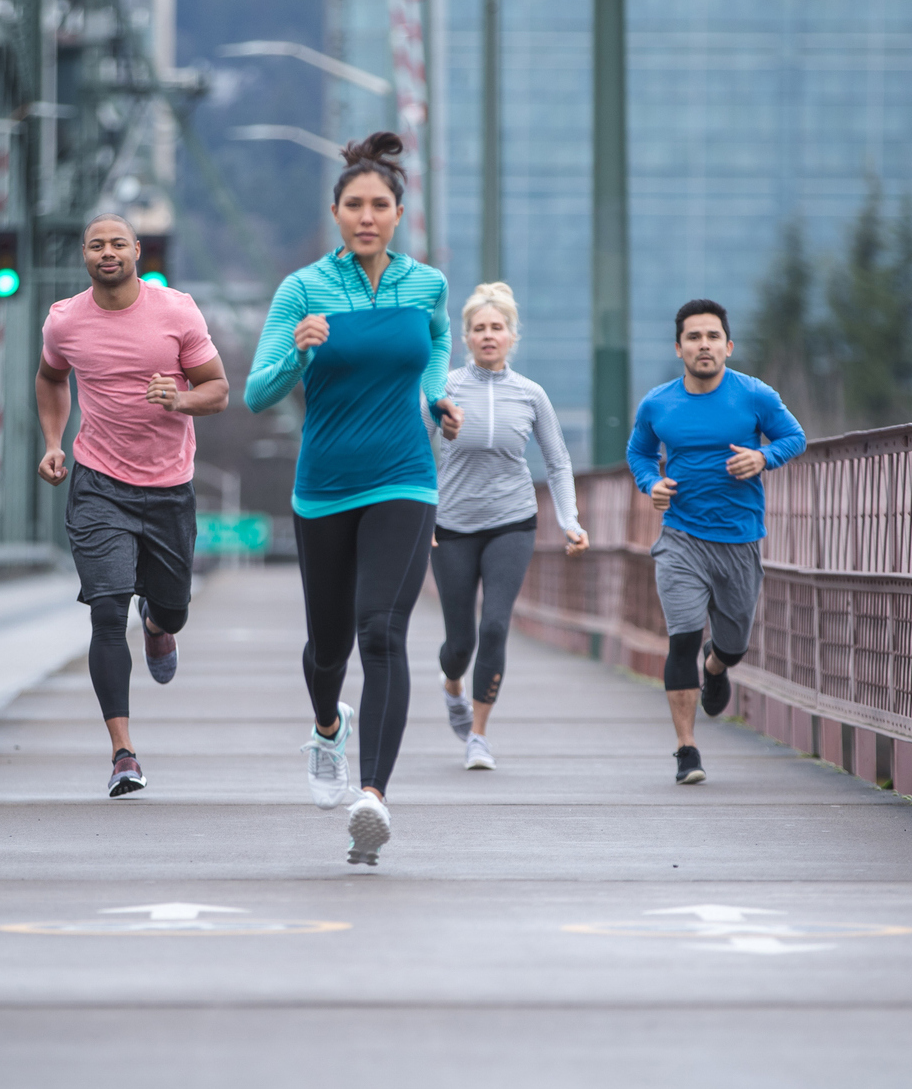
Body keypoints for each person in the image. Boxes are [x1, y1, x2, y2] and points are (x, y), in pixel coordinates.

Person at [245, 131, 462, 866]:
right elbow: (255, 393)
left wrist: (436, 400)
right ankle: (325, 729)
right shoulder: (302, 289)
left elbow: (435, 347)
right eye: (353, 205)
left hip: (404, 475)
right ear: (335, 212)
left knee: (381, 631)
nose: (366, 216)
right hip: (324, 486)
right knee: (328, 646)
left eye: (379, 205)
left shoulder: (426, 284)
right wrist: (298, 351)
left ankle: (372, 796)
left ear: (399, 212)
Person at [37, 213, 228, 798]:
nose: (107, 252)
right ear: (86, 257)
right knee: (104, 609)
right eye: (96, 245)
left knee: (172, 610)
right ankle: (123, 753)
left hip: (169, 486)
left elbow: (218, 391)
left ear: (137, 251)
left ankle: (159, 625)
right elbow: (51, 379)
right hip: (98, 483)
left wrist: (181, 398)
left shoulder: (176, 311)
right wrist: (52, 442)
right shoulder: (65, 321)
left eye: (118, 243)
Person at [625, 298, 805, 785]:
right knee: (681, 637)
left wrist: (762, 458)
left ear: (728, 346)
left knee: (733, 642)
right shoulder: (658, 403)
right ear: (679, 348)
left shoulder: (754, 395)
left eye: (711, 337)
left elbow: (795, 437)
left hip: (740, 540)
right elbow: (639, 452)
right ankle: (687, 749)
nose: (703, 346)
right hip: (681, 538)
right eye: (693, 338)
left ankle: (719, 666)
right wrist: (651, 484)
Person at [428, 282, 588, 772]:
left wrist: (570, 521)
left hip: (512, 522)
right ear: (466, 337)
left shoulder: (531, 395)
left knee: (495, 625)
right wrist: (420, 517)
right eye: (479, 328)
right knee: (460, 644)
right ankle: (452, 684)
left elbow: (558, 463)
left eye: (497, 328)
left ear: (513, 336)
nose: (489, 335)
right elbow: (415, 453)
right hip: (451, 525)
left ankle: (478, 735)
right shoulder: (444, 388)